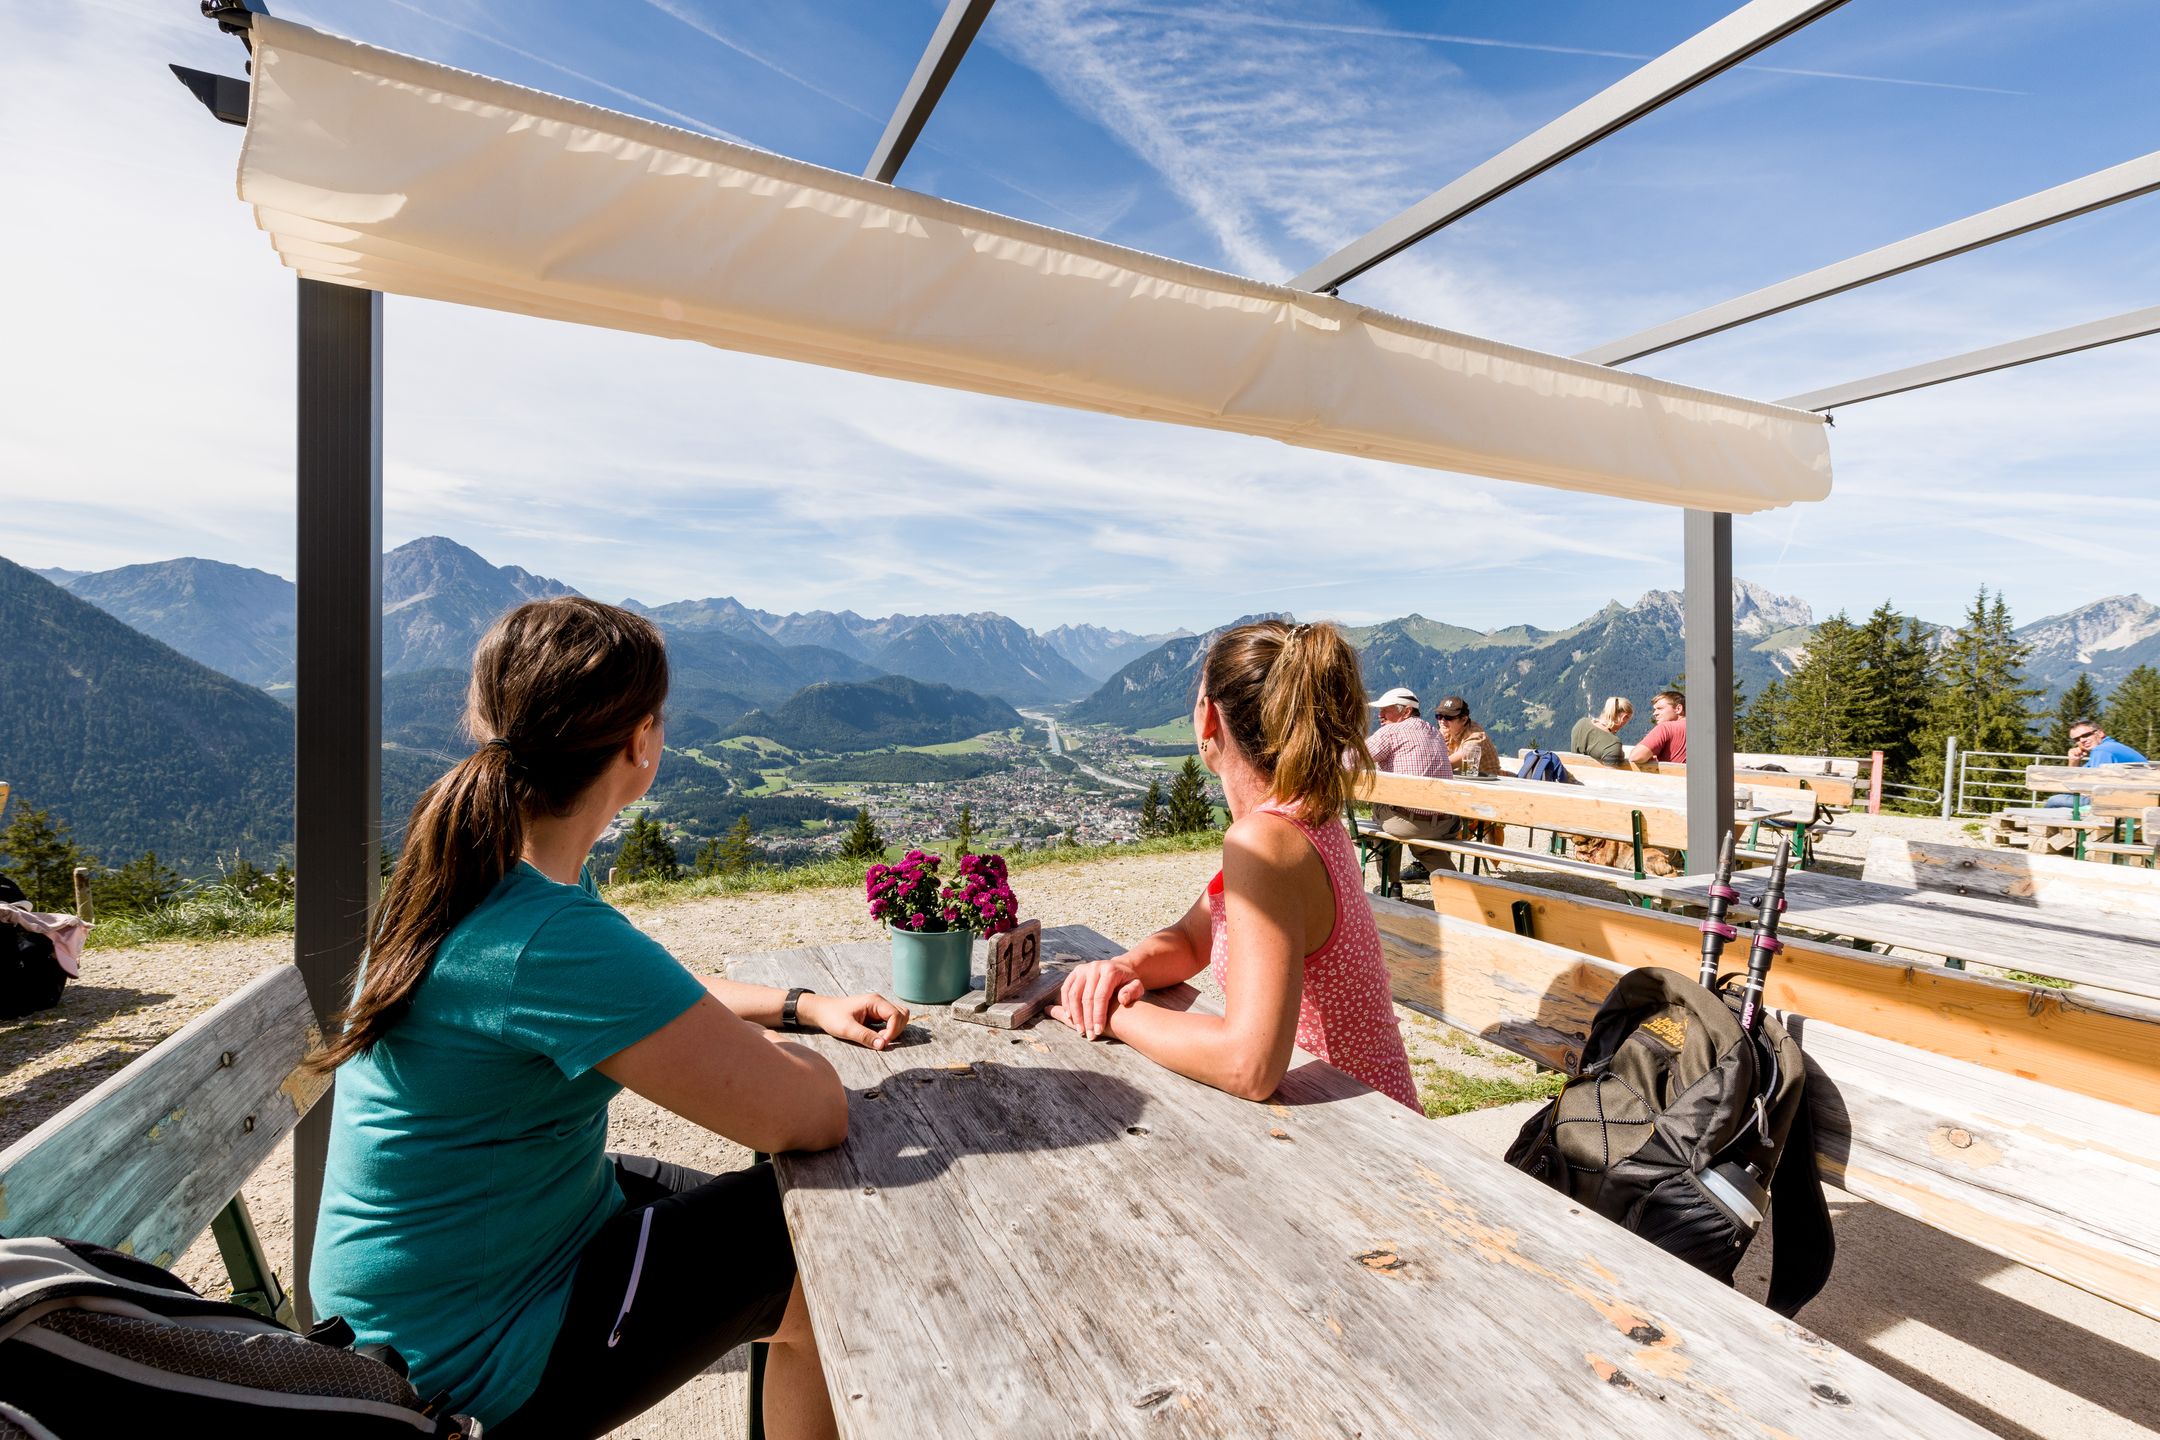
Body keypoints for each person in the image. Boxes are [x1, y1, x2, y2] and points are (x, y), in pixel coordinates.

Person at [309, 597, 905, 1439]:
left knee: (789, 1207)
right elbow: (809, 1115)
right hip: (468, 1362)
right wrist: (787, 1059)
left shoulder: (483, 876)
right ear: (641, 742)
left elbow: (644, 990)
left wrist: (797, 1005)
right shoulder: (544, 937)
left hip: (435, 1288)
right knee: (817, 1247)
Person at [1050, 620, 1419, 1112]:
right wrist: (1121, 968)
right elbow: (1191, 940)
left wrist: (1113, 1015)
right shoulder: (1302, 812)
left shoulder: (1266, 841)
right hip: (1352, 1110)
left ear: (1209, 720)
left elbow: (1248, 1066)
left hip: (1368, 1136)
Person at [1363, 685, 1454, 892]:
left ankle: (1391, 885)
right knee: (1424, 846)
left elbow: (1350, 761)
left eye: (1386, 710)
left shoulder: (1390, 732)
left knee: (1384, 814)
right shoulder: (1434, 732)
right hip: (1443, 823)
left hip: (1407, 824)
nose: (1380, 715)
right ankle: (1462, 890)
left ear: (1406, 711)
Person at [2043, 719, 2149, 808]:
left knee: (2054, 801)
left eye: (2086, 735)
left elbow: (2096, 786)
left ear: (2100, 733)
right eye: (2077, 739)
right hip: (2137, 799)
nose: (2082, 740)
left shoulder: (2102, 750)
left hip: (2122, 801)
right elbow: (2076, 781)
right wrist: (2074, 761)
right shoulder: (2109, 747)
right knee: (2065, 796)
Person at [1569, 696, 1634, 768]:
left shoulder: (1581, 723)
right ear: (1624, 717)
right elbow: (1611, 776)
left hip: (1571, 776)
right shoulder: (1613, 744)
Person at [1628, 689, 1688, 765]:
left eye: (1660, 709)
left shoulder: (1666, 728)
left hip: (1671, 776)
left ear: (1678, 709)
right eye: (1655, 709)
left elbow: (1636, 757)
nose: (1655, 713)